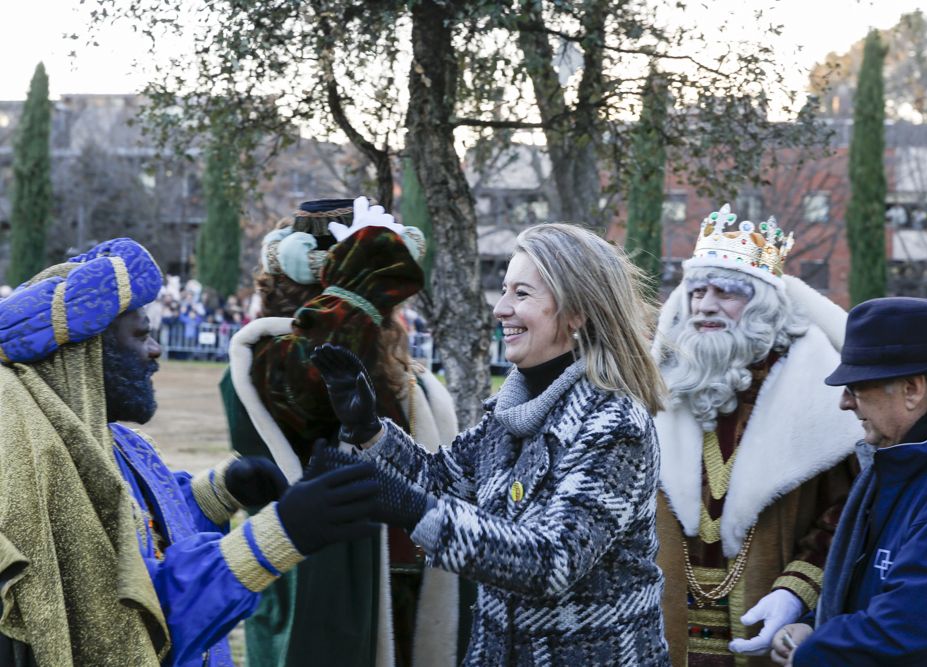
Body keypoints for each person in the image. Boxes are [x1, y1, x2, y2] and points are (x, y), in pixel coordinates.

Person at [0, 238, 379, 666]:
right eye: (142, 336)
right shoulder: (49, 476)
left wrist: (218, 492)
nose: (156, 351)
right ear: (85, 357)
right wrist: (279, 535)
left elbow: (145, 526)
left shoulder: (113, 442)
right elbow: (131, 624)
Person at [312, 222, 671, 664]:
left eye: (522, 294)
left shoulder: (616, 423)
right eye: (504, 291)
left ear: (578, 312)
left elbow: (552, 561)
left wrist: (410, 508)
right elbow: (439, 480)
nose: (501, 308)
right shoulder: (512, 410)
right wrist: (370, 429)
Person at [225, 198, 465, 666]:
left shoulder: (403, 370)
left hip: (411, 593)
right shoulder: (268, 354)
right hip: (329, 604)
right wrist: (357, 283)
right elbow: (315, 385)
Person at [650, 204, 861, 666]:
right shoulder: (662, 382)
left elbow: (846, 512)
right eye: (698, 291)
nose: (705, 305)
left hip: (768, 639)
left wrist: (794, 593)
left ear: (764, 303)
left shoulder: (818, 390)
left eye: (726, 292)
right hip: (664, 638)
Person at [771, 297, 927, 666]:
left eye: (857, 387)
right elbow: (872, 588)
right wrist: (815, 626)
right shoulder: (912, 458)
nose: (845, 403)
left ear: (912, 389)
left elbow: (910, 633)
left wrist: (814, 652)